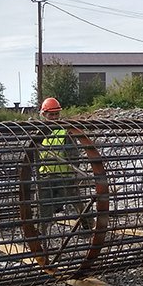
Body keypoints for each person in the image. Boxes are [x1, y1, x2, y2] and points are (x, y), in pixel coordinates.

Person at [36, 97, 87, 235]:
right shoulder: (39, 134)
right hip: (47, 177)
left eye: (56, 114)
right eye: (51, 114)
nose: (54, 117)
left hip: (64, 176)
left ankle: (88, 228)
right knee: (43, 209)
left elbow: (74, 156)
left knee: (78, 204)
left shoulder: (65, 132)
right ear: (43, 115)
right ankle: (41, 234)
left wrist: (73, 173)